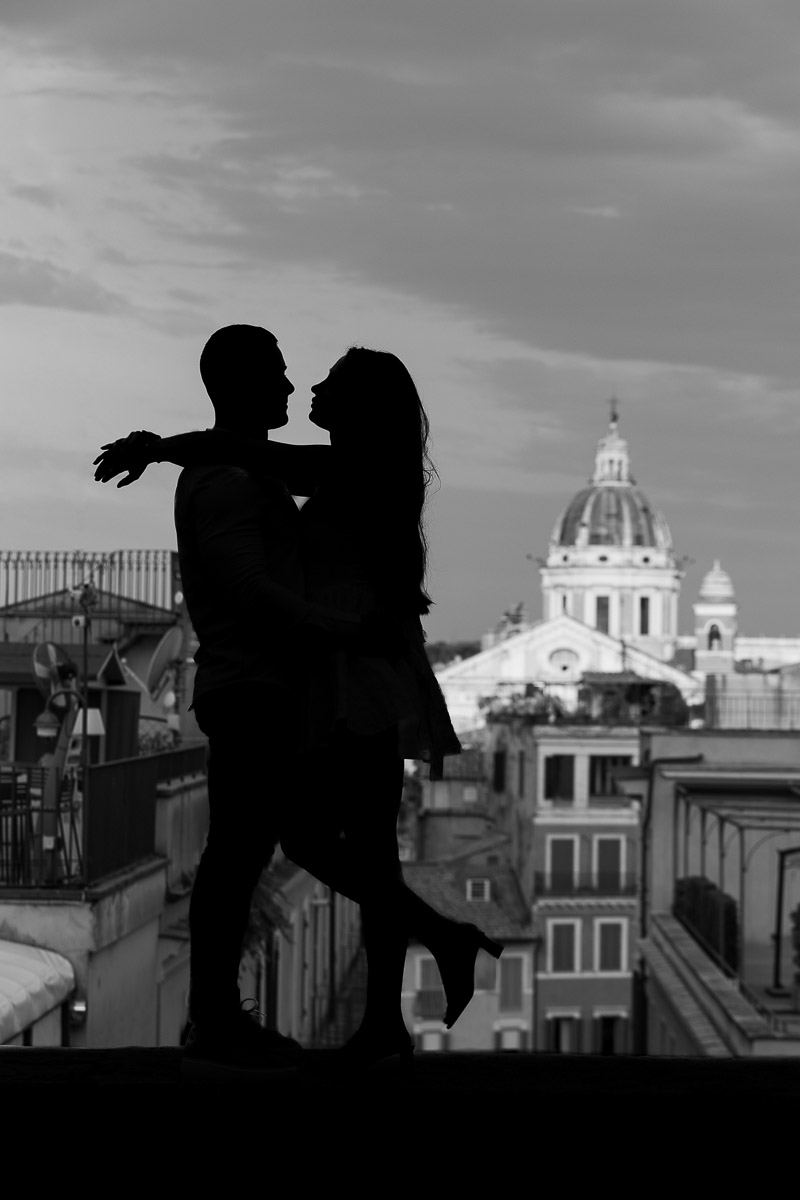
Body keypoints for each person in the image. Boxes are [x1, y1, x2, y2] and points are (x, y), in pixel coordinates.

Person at [95, 340, 504, 1075]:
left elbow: (257, 456)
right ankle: (418, 972)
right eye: (295, 375)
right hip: (347, 666)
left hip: (355, 669)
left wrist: (159, 447)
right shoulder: (359, 468)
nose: (306, 387)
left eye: (329, 385)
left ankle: (397, 1000)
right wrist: (164, 448)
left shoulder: (351, 468)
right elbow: (253, 458)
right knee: (326, 841)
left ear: (361, 409)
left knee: (318, 841)